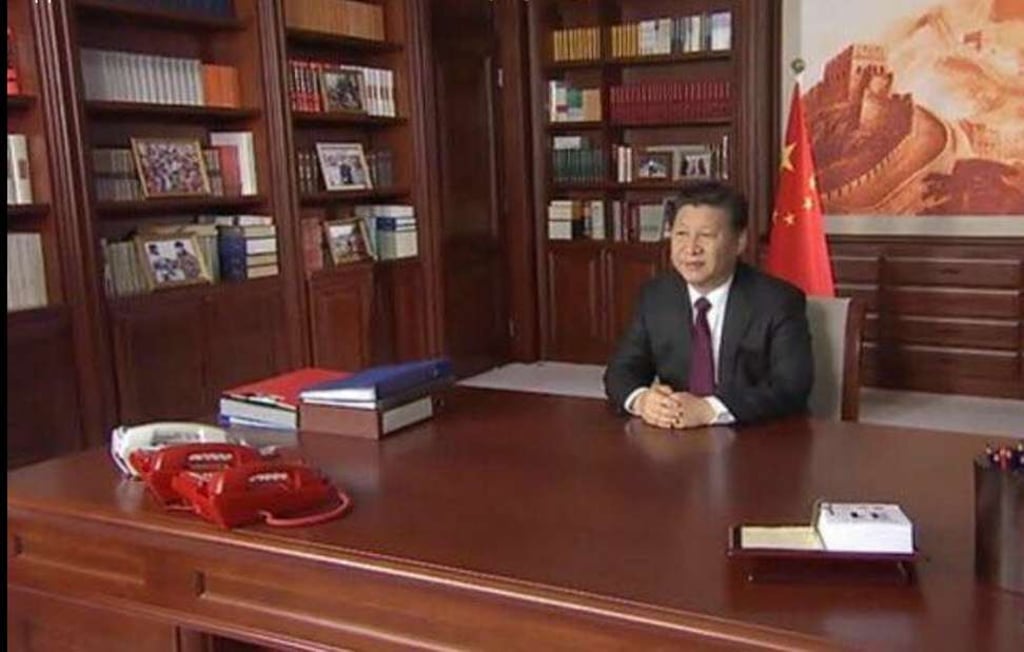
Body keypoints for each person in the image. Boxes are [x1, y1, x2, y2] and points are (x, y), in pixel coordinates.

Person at [604, 180, 813, 429]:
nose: (691, 249)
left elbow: (791, 387)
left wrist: (710, 409)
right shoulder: (656, 296)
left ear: (739, 242)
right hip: (677, 439)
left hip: (756, 438)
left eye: (706, 235)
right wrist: (642, 401)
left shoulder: (778, 301)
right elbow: (620, 371)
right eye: (681, 234)